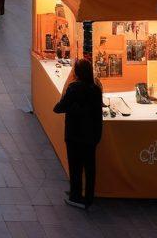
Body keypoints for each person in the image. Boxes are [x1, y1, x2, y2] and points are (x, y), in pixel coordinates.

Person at [53, 57, 103, 209]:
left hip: (74, 135)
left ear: (77, 72)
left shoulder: (74, 88)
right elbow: (98, 114)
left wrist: (71, 106)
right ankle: (88, 197)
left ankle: (75, 196)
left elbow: (58, 108)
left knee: (75, 167)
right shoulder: (96, 89)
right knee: (90, 167)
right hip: (91, 135)